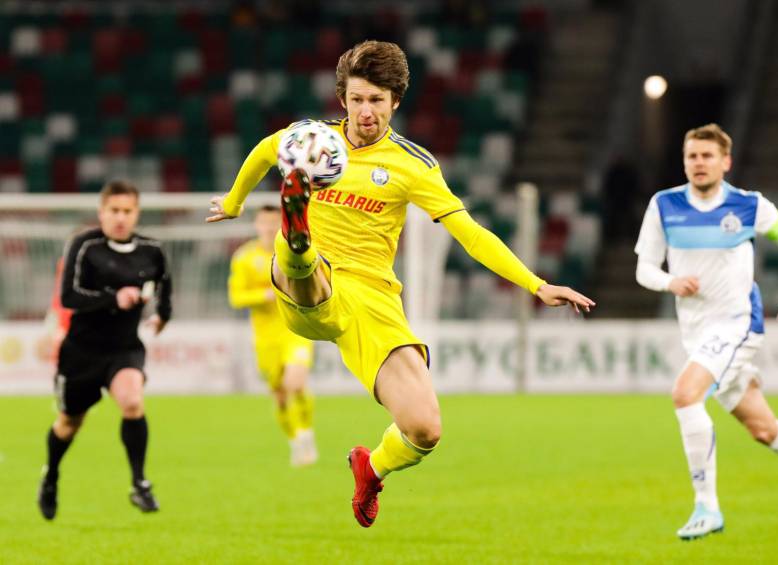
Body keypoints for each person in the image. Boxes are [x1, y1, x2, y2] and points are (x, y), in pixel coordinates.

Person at [207, 40, 594, 528]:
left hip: (373, 298)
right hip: (313, 282)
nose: (365, 111)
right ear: (342, 98)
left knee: (425, 428)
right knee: (301, 263)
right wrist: (236, 202)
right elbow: (267, 148)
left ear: (395, 101)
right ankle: (297, 231)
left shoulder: (413, 164)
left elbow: (470, 234)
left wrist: (535, 285)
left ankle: (372, 469)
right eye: (356, 99)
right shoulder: (312, 140)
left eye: (376, 100)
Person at [635, 123, 778, 540]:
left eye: (707, 156)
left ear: (725, 162)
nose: (699, 163)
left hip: (738, 323)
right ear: (684, 162)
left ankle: (706, 507)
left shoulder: (749, 206)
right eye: (692, 156)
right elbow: (645, 269)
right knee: (765, 430)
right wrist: (671, 282)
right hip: (697, 332)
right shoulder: (664, 205)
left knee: (686, 394)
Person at [37, 180, 172, 520]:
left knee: (132, 401)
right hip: (81, 352)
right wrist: (114, 298)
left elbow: (164, 286)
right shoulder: (85, 245)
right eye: (114, 210)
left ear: (137, 213)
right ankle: (51, 476)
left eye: (127, 211)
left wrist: (163, 315)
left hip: (123, 348)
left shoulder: (152, 250)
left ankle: (139, 482)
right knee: (69, 423)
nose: (121, 217)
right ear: (102, 212)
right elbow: (68, 297)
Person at [228, 205, 317, 466]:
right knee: (279, 396)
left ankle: (306, 432)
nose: (268, 228)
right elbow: (236, 297)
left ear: (282, 225)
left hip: (296, 329)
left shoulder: (295, 252)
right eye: (263, 223)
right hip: (265, 338)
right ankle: (295, 441)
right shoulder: (244, 257)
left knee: (296, 384)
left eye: (273, 222)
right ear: (256, 225)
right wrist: (264, 295)